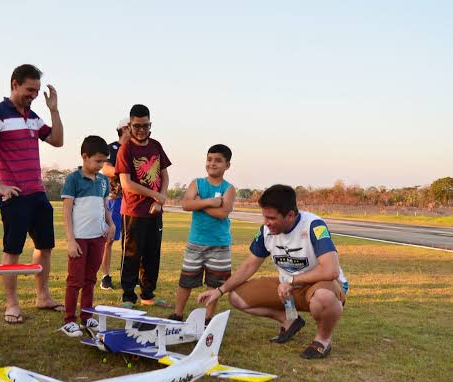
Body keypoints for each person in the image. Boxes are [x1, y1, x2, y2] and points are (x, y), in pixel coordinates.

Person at [198, 184, 348, 359]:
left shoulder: (314, 226)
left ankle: (322, 341)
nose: (266, 223)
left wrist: (293, 280)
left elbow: (331, 270)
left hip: (318, 286)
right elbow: (249, 266)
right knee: (237, 297)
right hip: (287, 288)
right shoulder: (266, 231)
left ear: (290, 215)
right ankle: (289, 320)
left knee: (324, 298)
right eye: (264, 216)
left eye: (271, 218)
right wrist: (219, 291)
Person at [0, 64, 64, 324]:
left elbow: (57, 140)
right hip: (14, 196)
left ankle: (43, 296)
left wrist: (54, 110)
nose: (33, 95)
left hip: (38, 194)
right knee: (13, 250)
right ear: (14, 84)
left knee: (44, 247)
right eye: (29, 89)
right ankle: (12, 303)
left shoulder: (33, 116)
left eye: (36, 91)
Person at [167, 144, 236, 325]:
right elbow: (185, 205)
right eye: (209, 159)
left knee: (214, 283)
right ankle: (177, 314)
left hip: (219, 245)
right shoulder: (196, 183)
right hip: (195, 243)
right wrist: (211, 202)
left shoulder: (229, 188)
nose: (212, 164)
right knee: (186, 281)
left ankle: (207, 319)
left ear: (227, 165)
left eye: (218, 161)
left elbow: (223, 213)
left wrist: (199, 202)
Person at [115, 104, 171, 308]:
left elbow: (164, 174)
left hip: (155, 211)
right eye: (137, 126)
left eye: (146, 125)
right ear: (130, 126)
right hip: (134, 211)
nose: (142, 130)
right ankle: (128, 296)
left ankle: (148, 294)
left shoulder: (156, 145)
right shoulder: (126, 149)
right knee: (131, 254)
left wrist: (160, 199)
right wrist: (155, 195)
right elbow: (126, 183)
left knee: (152, 253)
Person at [59, 136, 115, 337]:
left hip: (97, 238)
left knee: (91, 279)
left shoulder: (103, 181)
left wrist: (111, 224)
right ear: (85, 157)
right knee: (75, 280)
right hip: (79, 239)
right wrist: (71, 240)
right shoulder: (73, 179)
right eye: (98, 161)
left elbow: (104, 206)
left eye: (104, 162)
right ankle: (69, 320)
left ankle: (87, 315)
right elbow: (66, 211)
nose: (101, 166)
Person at [99, 118, 130, 290]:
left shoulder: (134, 150)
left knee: (131, 241)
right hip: (115, 198)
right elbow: (106, 168)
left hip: (132, 200)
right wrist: (125, 173)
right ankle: (105, 276)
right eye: (131, 127)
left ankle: (128, 275)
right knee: (109, 239)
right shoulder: (112, 148)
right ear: (123, 129)